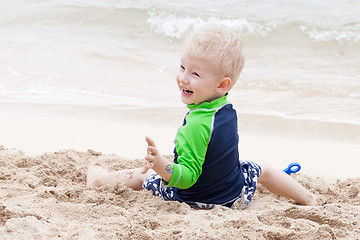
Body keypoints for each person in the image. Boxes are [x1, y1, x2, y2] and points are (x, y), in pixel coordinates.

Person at [86, 25, 322, 209]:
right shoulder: (225, 109)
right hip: (236, 194)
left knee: (143, 175)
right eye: (182, 67)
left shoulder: (195, 126)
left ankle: (98, 181)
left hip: (200, 200)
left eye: (195, 73)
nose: (183, 78)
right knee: (262, 168)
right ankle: (308, 198)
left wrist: (160, 166)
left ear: (221, 84)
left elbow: (187, 178)